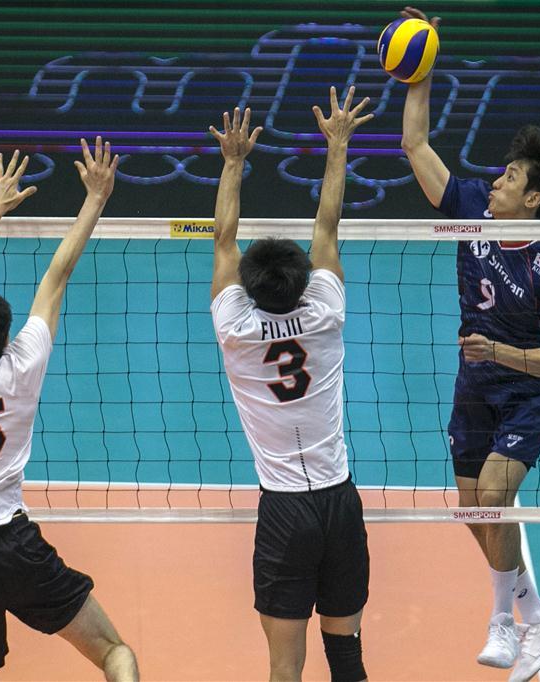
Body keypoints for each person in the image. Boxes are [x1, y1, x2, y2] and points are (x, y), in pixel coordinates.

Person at [400, 7, 540, 681]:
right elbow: (417, 149)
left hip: (525, 391)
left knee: (496, 496)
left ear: (530, 200)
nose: (496, 179)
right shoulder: (471, 209)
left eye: (509, 178)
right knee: (472, 509)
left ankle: (503, 620)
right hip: (474, 385)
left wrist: (496, 353)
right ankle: (536, 616)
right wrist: (420, 71)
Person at [0, 141, 139, 682]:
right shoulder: (21, 369)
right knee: (114, 653)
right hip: (14, 549)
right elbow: (55, 278)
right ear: (5, 338)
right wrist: (95, 199)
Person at [209, 89, 373, 682]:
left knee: (285, 668)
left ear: (251, 289)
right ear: (304, 282)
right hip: (339, 502)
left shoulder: (235, 328)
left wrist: (233, 160)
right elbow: (326, 224)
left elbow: (224, 241)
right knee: (346, 656)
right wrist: (338, 144)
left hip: (283, 513)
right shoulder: (327, 312)